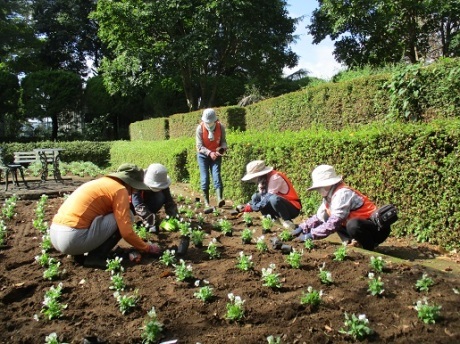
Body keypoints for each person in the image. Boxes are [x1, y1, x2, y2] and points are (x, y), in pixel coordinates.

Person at [49, 163, 161, 268]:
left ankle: (78, 254)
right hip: (72, 239)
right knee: (128, 216)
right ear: (131, 183)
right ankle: (96, 257)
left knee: (96, 216)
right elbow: (126, 232)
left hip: (55, 234)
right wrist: (146, 247)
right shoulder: (120, 190)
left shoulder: (101, 183)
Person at [291, 164, 390, 250]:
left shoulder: (342, 193)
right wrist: (303, 227)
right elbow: (319, 216)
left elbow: (334, 223)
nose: (319, 190)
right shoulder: (329, 196)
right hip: (363, 227)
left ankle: (368, 247)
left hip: (376, 229)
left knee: (352, 224)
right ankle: (351, 242)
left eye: (320, 187)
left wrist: (311, 235)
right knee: (327, 216)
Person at [238, 160, 301, 230]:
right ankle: (272, 219)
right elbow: (262, 196)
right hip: (279, 205)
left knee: (273, 199)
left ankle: (288, 222)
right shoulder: (263, 179)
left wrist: (253, 207)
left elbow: (267, 198)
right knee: (255, 196)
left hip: (293, 207)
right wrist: (249, 205)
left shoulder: (275, 177)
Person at [131, 163, 178, 232]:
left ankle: (149, 216)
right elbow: (138, 205)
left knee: (160, 197)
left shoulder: (162, 180)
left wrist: (173, 217)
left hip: (148, 202)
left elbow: (169, 201)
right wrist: (151, 220)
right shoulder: (138, 181)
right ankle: (142, 220)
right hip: (132, 205)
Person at [195, 108, 227, 207]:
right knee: (205, 179)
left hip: (216, 155)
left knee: (216, 176)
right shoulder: (200, 128)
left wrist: (222, 149)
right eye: (206, 122)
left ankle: (219, 199)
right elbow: (199, 146)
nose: (208, 124)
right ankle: (206, 202)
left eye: (210, 122)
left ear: (215, 120)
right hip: (203, 156)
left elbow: (223, 141)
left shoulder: (220, 127)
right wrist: (209, 153)